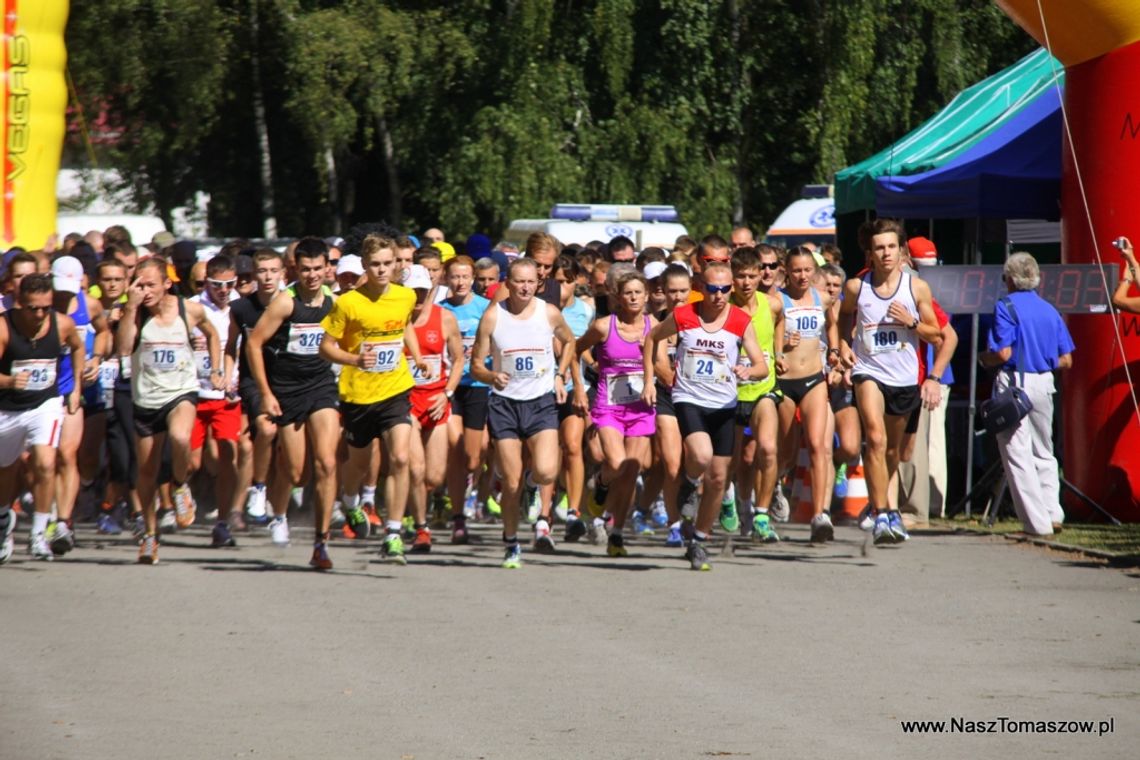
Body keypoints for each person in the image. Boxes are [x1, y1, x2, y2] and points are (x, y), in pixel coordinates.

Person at [642, 261, 769, 571]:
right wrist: (648, 380)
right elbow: (651, 338)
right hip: (689, 398)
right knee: (700, 454)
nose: (719, 295)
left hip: (724, 404)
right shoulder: (685, 316)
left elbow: (762, 366)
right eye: (713, 289)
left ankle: (698, 540)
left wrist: (748, 371)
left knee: (718, 479)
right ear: (702, 288)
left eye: (726, 289)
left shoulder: (740, 320)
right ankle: (687, 481)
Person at [469, 257, 586, 569]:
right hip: (504, 404)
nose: (524, 287)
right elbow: (476, 365)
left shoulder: (548, 313)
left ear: (539, 284)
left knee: (547, 471)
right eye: (518, 281)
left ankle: (533, 487)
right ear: (507, 283)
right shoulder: (494, 316)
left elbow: (570, 342)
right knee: (510, 481)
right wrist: (492, 376)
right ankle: (511, 542)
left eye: (530, 282)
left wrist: (561, 376)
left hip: (540, 402)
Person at [319, 234, 427, 565]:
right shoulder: (348, 303)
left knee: (399, 458)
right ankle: (350, 502)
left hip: (395, 389)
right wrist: (353, 360)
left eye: (387, 264)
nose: (382, 270)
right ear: (365, 266)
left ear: (397, 264)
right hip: (358, 394)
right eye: (375, 265)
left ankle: (393, 533)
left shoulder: (405, 296)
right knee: (360, 464)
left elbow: (404, 326)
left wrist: (418, 355)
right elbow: (326, 346)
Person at [837, 219, 942, 546]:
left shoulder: (916, 288)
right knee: (876, 439)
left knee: (894, 450)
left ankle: (880, 505)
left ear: (901, 252)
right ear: (870, 253)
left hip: (904, 377)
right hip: (868, 372)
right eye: (879, 248)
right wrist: (842, 344)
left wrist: (910, 321)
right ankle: (884, 512)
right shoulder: (858, 287)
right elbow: (842, 315)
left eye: (891, 247)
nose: (885, 253)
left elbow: (936, 333)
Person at [117, 258, 225, 564]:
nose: (144, 290)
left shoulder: (187, 310)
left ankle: (179, 487)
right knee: (147, 473)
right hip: (145, 400)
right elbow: (124, 348)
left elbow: (213, 334)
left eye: (151, 284)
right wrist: (129, 308)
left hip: (181, 392)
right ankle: (150, 537)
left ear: (167, 284)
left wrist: (216, 369)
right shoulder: (134, 314)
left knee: (180, 437)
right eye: (139, 284)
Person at [245, 238, 342, 568]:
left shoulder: (335, 302)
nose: (312, 275)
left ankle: (321, 543)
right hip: (287, 390)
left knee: (327, 463)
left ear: (327, 268)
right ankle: (279, 513)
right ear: (294, 270)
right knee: (298, 472)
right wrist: (267, 393)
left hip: (322, 386)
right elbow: (254, 344)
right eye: (305, 269)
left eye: (318, 268)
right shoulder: (285, 303)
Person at [979, 252, 1074, 536]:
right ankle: (1053, 513)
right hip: (1045, 383)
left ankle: (1036, 523)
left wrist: (984, 358)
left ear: (1009, 279)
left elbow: (1003, 352)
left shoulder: (1005, 306)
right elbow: (1067, 360)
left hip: (1014, 383)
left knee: (1016, 453)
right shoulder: (1049, 310)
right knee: (1044, 450)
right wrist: (1042, 360)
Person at [0, 274, 85, 562]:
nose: (39, 314)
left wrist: (75, 388)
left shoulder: (62, 324)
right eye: (32, 308)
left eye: (44, 308)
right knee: (6, 470)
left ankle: (39, 534)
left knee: (46, 463)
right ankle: (3, 522)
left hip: (45, 404)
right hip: (7, 409)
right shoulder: (3, 327)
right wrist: (10, 382)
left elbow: (78, 347)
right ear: (19, 303)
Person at [575, 265, 656, 557]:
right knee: (618, 463)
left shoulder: (654, 327)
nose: (633, 298)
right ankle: (600, 483)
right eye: (628, 293)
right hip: (609, 407)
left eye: (638, 293)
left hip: (641, 408)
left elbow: (665, 367)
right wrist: (577, 384)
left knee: (632, 470)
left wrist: (651, 358)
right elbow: (575, 350)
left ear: (646, 296)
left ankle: (617, 534)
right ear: (618, 297)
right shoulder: (603, 326)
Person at [775, 246, 840, 542]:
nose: (802, 276)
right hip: (785, 382)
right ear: (786, 271)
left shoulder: (822, 298)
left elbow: (835, 324)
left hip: (815, 379)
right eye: (797, 270)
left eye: (807, 270)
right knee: (785, 452)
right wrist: (781, 346)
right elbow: (767, 338)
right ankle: (774, 487)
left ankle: (820, 515)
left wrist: (836, 352)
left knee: (817, 445)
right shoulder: (777, 300)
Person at [403, 264, 464, 553]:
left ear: (430, 290)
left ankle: (415, 505)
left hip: (436, 401)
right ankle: (421, 528)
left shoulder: (445, 318)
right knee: (416, 468)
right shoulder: (395, 319)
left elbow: (459, 359)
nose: (417, 296)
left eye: (422, 290)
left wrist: (447, 393)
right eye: (412, 290)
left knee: (434, 476)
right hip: (405, 403)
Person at [728, 247, 785, 542]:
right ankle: (738, 503)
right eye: (741, 277)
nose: (747, 282)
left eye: (752, 276)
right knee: (736, 459)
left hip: (764, 387)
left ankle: (762, 514)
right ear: (732, 277)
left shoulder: (771, 304)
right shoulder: (723, 307)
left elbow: (780, 320)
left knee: (768, 449)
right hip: (732, 392)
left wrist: (777, 352)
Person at [188, 255, 243, 548]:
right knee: (190, 462)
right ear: (206, 282)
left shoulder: (240, 306)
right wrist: (189, 341)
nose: (224, 290)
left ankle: (222, 524)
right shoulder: (192, 308)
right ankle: (179, 490)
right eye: (217, 284)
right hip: (194, 393)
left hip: (227, 396)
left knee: (227, 457)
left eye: (229, 284)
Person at [440, 256, 492, 543]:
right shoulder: (440, 311)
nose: (460, 282)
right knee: (455, 449)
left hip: (478, 386)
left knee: (474, 456)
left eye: (465, 276)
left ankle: (472, 487)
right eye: (454, 277)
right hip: (450, 386)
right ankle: (458, 516)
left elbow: (499, 343)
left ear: (473, 278)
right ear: (446, 279)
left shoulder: (486, 308)